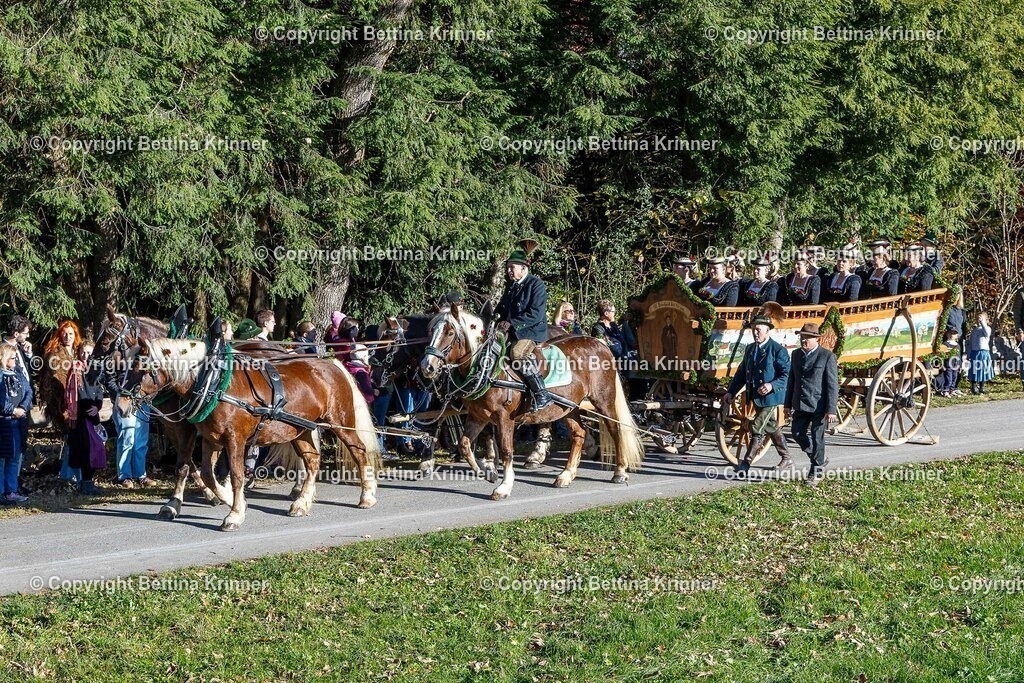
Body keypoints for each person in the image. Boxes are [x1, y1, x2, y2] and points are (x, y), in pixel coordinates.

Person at [722, 314, 792, 472]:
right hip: (755, 396)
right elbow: (741, 373)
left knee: (757, 427)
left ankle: (745, 464)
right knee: (772, 426)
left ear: (767, 331)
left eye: (758, 330)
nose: (755, 333)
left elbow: (786, 374)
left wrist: (771, 385)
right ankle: (787, 458)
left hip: (771, 398)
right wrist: (731, 392)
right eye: (753, 330)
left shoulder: (777, 350)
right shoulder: (750, 349)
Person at [495, 241, 553, 412]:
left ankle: (542, 394)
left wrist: (512, 323)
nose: (508, 271)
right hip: (512, 331)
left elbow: (535, 314)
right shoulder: (511, 286)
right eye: (508, 268)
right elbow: (502, 308)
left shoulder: (537, 285)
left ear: (524, 268)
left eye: (512, 267)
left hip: (532, 331)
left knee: (517, 353)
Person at [784, 323, 839, 487]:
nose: (803, 340)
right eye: (802, 337)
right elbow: (791, 380)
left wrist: (831, 409)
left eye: (807, 337)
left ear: (816, 339)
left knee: (817, 438)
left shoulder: (827, 356)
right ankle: (818, 460)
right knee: (797, 433)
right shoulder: (795, 355)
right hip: (800, 404)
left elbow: (832, 384)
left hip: (819, 406)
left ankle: (816, 473)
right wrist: (787, 404)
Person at [42, 320, 83, 483]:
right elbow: (57, 378)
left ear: (75, 336)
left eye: (71, 334)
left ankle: (68, 475)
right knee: (72, 439)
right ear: (60, 335)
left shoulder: (77, 352)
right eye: (64, 333)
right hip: (62, 404)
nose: (68, 336)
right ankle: (68, 476)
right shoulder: (55, 354)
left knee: (74, 441)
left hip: (79, 402)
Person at [65, 343, 106, 495]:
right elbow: (78, 395)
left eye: (89, 352)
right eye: (83, 352)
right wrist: (91, 410)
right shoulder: (75, 370)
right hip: (81, 416)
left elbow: (98, 392)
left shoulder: (94, 370)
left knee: (95, 449)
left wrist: (97, 406)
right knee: (85, 450)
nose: (86, 355)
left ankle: (88, 482)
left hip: (92, 415)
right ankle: (85, 484)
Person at [3, 315, 33, 499]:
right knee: (7, 453)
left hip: (24, 405)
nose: (27, 336)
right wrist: (13, 409)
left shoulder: (20, 349)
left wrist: (29, 355)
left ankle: (14, 485)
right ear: (16, 333)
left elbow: (26, 378)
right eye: (25, 333)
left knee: (19, 448)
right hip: (8, 412)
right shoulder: (4, 350)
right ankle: (7, 488)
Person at [0, 345, 30, 503]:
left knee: (14, 457)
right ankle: (1, 492)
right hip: (3, 423)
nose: (15, 360)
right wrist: (12, 411)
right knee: (1, 459)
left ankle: (11, 491)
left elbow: (28, 391)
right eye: (12, 358)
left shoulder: (18, 373)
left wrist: (23, 407)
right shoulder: (0, 376)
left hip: (18, 423)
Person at [967, 312, 994, 395]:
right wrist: (969, 353)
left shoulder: (987, 329)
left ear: (986, 320)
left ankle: (982, 387)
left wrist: (982, 322)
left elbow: (986, 332)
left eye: (982, 318)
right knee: (974, 370)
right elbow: (970, 343)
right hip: (975, 352)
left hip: (983, 352)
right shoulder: (974, 331)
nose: (979, 320)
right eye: (978, 318)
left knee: (983, 370)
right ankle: (974, 386)